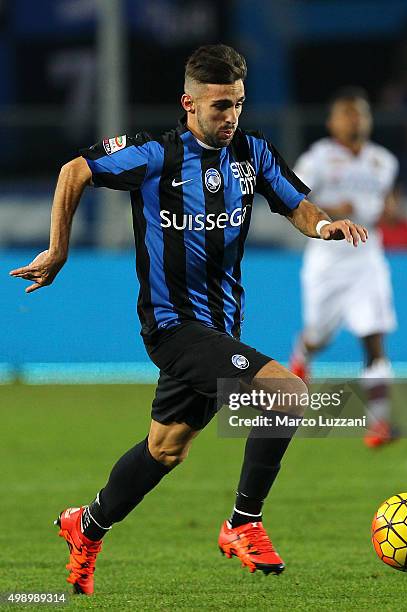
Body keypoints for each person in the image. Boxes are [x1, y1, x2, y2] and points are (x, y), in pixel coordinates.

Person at [10, 45, 367, 594]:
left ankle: (86, 526)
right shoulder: (153, 154)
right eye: (221, 106)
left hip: (220, 329)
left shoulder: (252, 153)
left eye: (239, 105)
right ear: (189, 103)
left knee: (166, 449)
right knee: (288, 393)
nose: (231, 118)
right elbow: (74, 170)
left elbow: (297, 204)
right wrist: (58, 250)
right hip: (173, 327)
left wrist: (324, 228)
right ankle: (243, 523)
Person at [289, 87, 397, 448]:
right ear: (332, 122)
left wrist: (389, 212)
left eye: (360, 113)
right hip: (327, 262)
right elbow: (293, 198)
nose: (355, 119)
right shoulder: (317, 158)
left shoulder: (384, 162)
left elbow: (387, 204)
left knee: (373, 337)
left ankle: (379, 423)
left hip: (367, 260)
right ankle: (303, 356)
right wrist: (337, 206)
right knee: (318, 336)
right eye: (347, 113)